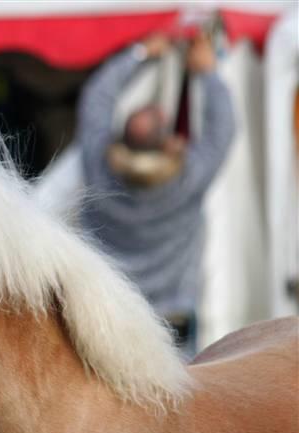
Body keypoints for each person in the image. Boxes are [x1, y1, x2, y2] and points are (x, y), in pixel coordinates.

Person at [77, 33, 235, 355]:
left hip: (110, 320)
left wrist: (138, 54)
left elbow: (96, 98)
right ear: (171, 144)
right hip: (170, 331)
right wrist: (207, 71)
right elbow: (224, 128)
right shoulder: (186, 179)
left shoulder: (99, 168)